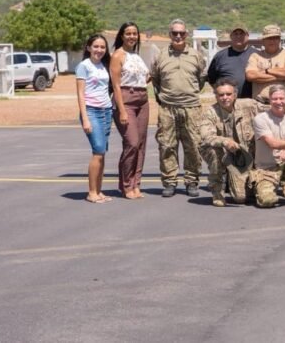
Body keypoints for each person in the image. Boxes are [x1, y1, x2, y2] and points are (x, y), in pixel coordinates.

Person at [150, 18, 207, 198]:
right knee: (167, 145)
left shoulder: (196, 55)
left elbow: (201, 79)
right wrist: (164, 98)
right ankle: (169, 181)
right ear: (170, 34)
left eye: (181, 33)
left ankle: (191, 181)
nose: (178, 36)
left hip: (191, 107)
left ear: (186, 34)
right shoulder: (160, 56)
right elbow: (155, 79)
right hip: (167, 108)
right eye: (175, 33)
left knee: (193, 145)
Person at [199, 78, 259, 207]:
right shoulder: (210, 112)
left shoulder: (249, 105)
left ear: (235, 95)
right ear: (216, 96)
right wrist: (225, 141)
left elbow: (272, 109)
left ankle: (247, 181)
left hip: (243, 155)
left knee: (240, 198)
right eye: (221, 95)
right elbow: (206, 136)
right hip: (223, 152)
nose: (225, 98)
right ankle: (217, 192)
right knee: (214, 151)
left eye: (228, 94)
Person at [109, 22, 150, 200]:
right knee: (132, 143)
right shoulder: (118, 55)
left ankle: (136, 184)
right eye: (128, 33)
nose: (132, 36)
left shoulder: (137, 56)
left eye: (135, 33)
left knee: (141, 145)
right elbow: (116, 85)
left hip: (142, 100)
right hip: (126, 100)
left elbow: (143, 78)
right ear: (122, 36)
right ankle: (126, 185)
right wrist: (122, 110)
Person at [75, 34, 113, 204]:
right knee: (98, 151)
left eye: (102, 47)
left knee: (102, 153)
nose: (99, 50)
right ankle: (91, 192)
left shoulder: (104, 65)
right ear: (89, 48)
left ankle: (98, 190)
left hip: (106, 111)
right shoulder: (84, 66)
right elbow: (80, 94)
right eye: (96, 46)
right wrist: (85, 118)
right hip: (92, 111)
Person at [245, 24, 285, 104]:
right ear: (263, 41)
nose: (272, 41)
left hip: (284, 104)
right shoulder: (255, 56)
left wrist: (267, 71)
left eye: (275, 38)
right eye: (269, 38)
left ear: (280, 40)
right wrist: (281, 76)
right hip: (261, 104)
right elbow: (250, 76)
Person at [207, 25, 256, 98]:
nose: (238, 36)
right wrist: (222, 93)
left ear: (247, 36)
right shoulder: (220, 56)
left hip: (252, 101)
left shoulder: (257, 55)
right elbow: (211, 79)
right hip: (228, 101)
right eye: (235, 34)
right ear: (231, 36)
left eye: (241, 34)